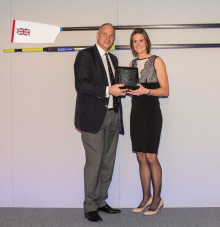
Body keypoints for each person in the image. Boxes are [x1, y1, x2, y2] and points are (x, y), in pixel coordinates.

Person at [74, 23, 127, 222]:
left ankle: (100, 201)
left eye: (111, 35)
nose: (108, 38)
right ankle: (90, 206)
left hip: (113, 115)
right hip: (93, 118)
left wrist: (122, 89)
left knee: (108, 162)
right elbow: (81, 84)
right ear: (97, 36)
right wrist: (108, 90)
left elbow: (115, 86)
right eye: (105, 34)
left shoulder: (113, 59)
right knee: (94, 162)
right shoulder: (85, 56)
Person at [127, 28, 169, 216]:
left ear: (147, 42)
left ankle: (158, 199)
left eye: (141, 40)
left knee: (151, 156)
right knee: (140, 156)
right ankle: (146, 197)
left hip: (151, 112)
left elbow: (165, 90)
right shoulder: (131, 63)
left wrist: (147, 91)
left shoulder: (157, 61)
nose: (138, 44)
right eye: (135, 41)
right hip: (136, 112)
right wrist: (127, 90)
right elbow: (132, 88)